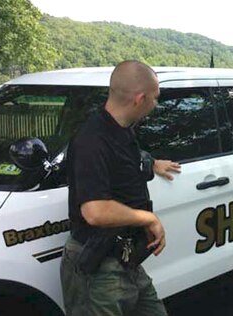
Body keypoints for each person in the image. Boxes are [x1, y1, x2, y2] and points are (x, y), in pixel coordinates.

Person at [60, 60, 181, 316]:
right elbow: (95, 211)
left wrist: (152, 164)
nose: (155, 105)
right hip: (99, 270)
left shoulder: (122, 131)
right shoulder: (92, 139)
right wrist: (148, 218)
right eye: (154, 98)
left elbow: (124, 164)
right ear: (139, 98)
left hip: (127, 261)